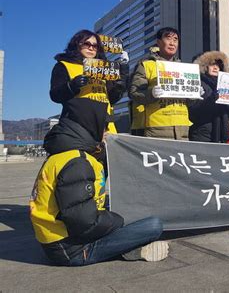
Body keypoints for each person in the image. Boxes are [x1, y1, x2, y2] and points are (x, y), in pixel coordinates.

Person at [30, 103, 168, 266]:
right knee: (153, 225)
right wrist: (119, 220)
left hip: (58, 238)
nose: (107, 132)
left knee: (127, 215)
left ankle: (128, 248)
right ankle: (122, 249)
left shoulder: (66, 154)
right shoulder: (77, 162)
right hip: (71, 249)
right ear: (91, 127)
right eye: (104, 127)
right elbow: (83, 221)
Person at [49, 29, 129, 137]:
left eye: (95, 46)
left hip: (106, 128)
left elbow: (111, 99)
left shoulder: (103, 69)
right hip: (77, 127)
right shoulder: (64, 65)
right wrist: (71, 86)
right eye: (87, 44)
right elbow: (55, 95)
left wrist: (120, 84)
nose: (91, 48)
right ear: (77, 44)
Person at [129, 27, 191, 140]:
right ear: (158, 42)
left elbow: (191, 104)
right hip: (155, 129)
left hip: (182, 130)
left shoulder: (184, 69)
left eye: (176, 39)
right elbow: (134, 93)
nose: (172, 43)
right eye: (168, 38)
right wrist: (151, 93)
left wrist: (195, 95)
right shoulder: (146, 65)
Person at [188, 51, 229, 142]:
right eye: (212, 64)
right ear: (205, 66)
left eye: (218, 65)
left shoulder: (226, 85)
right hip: (202, 134)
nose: (215, 67)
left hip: (223, 135)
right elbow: (193, 111)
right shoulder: (197, 82)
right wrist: (213, 99)